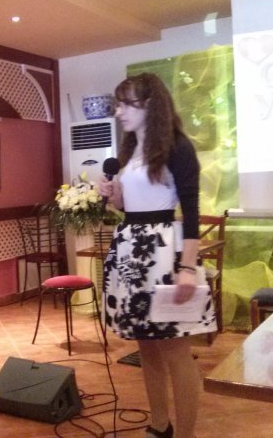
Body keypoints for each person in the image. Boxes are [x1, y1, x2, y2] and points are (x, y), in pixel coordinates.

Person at [98, 73, 216, 438]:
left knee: (176, 349)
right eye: (117, 104)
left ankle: (186, 434)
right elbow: (132, 205)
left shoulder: (177, 146)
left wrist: (186, 267)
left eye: (125, 103)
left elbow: (192, 212)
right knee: (146, 347)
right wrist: (115, 197)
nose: (118, 112)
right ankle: (159, 425)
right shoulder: (131, 149)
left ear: (150, 104)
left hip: (163, 252)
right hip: (132, 248)